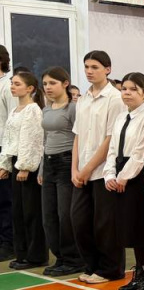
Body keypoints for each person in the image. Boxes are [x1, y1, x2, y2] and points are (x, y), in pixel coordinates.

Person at [103, 73, 144, 290]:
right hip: (121, 172)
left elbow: (141, 151)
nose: (126, 93)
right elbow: (112, 148)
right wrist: (109, 174)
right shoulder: (121, 117)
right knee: (132, 228)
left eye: (133, 89)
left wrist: (124, 177)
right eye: (124, 89)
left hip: (139, 175)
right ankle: (138, 273)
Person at [71, 51, 125, 284]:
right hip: (82, 171)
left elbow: (111, 139)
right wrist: (75, 169)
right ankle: (92, 265)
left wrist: (88, 169)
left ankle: (110, 269)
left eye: (94, 67)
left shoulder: (115, 98)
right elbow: (77, 135)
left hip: (103, 171)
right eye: (86, 67)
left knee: (105, 224)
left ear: (107, 69)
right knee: (79, 221)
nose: (89, 71)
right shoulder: (83, 99)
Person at [39, 68, 83, 277]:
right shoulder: (46, 109)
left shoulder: (73, 108)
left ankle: (73, 259)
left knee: (65, 215)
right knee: (49, 215)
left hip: (66, 162)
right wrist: (42, 168)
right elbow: (46, 139)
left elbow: (79, 139)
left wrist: (76, 168)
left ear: (65, 84)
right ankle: (60, 257)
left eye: (52, 83)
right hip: (49, 164)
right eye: (45, 83)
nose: (47, 87)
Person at [0, 72, 46, 269]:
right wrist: (5, 164)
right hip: (16, 162)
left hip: (28, 165)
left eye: (17, 84)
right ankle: (22, 253)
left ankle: (36, 256)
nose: (13, 86)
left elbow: (32, 139)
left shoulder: (33, 110)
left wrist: (25, 167)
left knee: (31, 212)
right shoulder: (15, 110)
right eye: (12, 83)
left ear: (30, 88)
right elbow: (8, 138)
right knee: (17, 211)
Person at [0, 45, 17, 260]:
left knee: (5, 199)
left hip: (4, 147)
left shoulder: (7, 86)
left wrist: (5, 159)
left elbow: (11, 123)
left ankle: (8, 242)